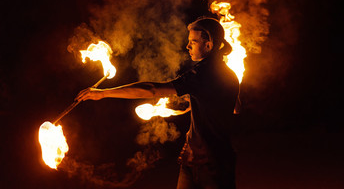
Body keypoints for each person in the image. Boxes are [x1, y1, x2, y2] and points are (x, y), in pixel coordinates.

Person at [76, 17, 239, 189]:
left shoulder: (203, 74)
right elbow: (233, 106)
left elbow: (152, 89)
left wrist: (104, 93)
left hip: (211, 166)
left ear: (208, 45)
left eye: (193, 41)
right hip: (199, 159)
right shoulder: (229, 74)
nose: (187, 46)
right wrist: (184, 106)